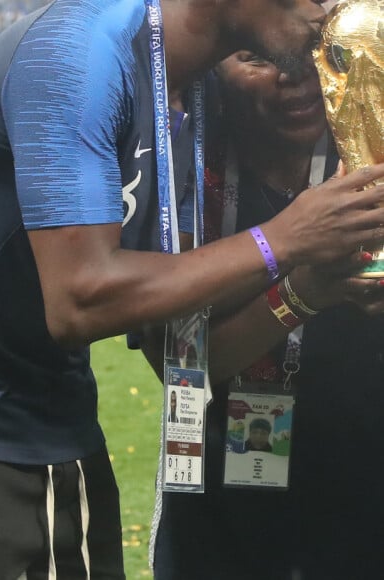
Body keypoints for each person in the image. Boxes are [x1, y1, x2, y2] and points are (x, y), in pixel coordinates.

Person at [0, 1, 384, 578]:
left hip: (60, 421)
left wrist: (304, 288)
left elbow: (184, 342)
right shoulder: (77, 51)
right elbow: (78, 299)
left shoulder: (191, 98)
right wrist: (285, 238)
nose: (323, 6)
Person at [151, 47, 384, 580]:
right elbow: (183, 368)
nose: (296, 76)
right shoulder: (187, 178)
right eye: (256, 57)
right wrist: (301, 292)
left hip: (364, 489)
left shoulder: (370, 154)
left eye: (319, 52)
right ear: (213, 69)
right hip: (219, 512)